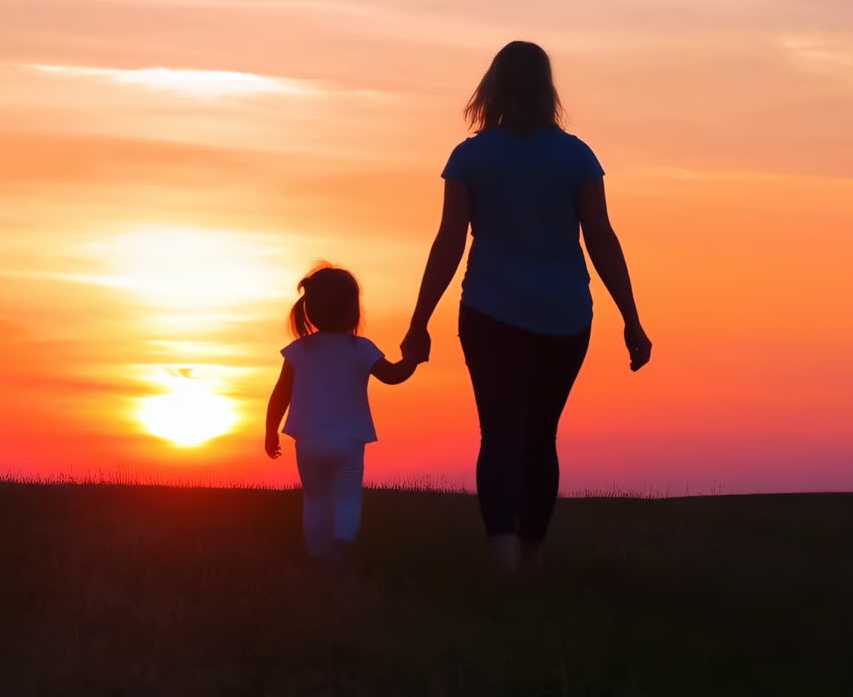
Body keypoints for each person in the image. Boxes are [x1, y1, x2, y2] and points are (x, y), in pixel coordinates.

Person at [400, 41, 653, 573]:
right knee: (540, 436)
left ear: (491, 87)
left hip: (491, 313)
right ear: (547, 89)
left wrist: (419, 322)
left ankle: (504, 562)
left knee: (500, 434)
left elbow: (449, 242)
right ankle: (532, 559)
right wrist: (631, 318)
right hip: (564, 315)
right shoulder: (576, 156)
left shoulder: (470, 156)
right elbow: (601, 239)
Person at [265, 264, 420, 566]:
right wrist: (413, 358)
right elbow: (393, 376)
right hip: (349, 441)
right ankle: (340, 550)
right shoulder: (361, 348)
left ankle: (316, 557)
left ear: (309, 309)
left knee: (315, 499)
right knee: (347, 497)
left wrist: (270, 431)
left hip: (308, 439)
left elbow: (280, 395)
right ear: (352, 308)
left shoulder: (299, 350)